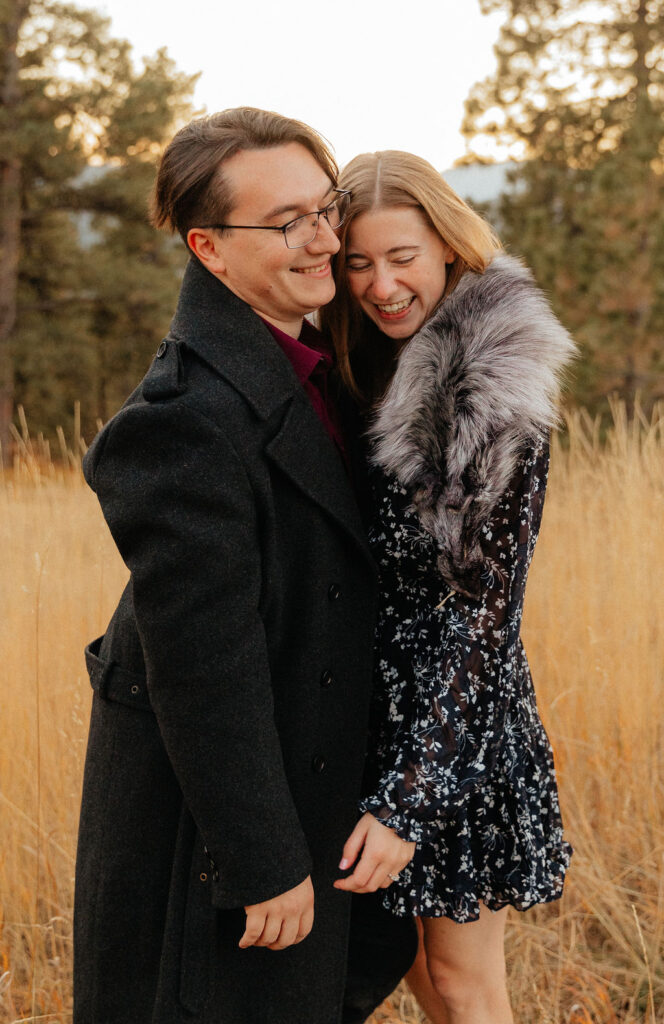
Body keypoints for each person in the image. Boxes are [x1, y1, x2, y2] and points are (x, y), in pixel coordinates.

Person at [74, 110, 416, 1024]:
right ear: (209, 249)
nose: (325, 240)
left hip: (314, 786)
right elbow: (204, 667)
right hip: (215, 840)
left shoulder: (317, 360)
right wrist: (263, 863)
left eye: (327, 207)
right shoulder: (181, 420)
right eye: (287, 222)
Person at [320, 150, 575, 1024]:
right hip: (373, 711)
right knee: (420, 973)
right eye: (358, 262)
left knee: (462, 978)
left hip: (452, 720)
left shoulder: (491, 389)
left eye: (403, 258)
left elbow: (483, 618)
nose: (381, 284)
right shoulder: (359, 361)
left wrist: (409, 799)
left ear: (451, 249)